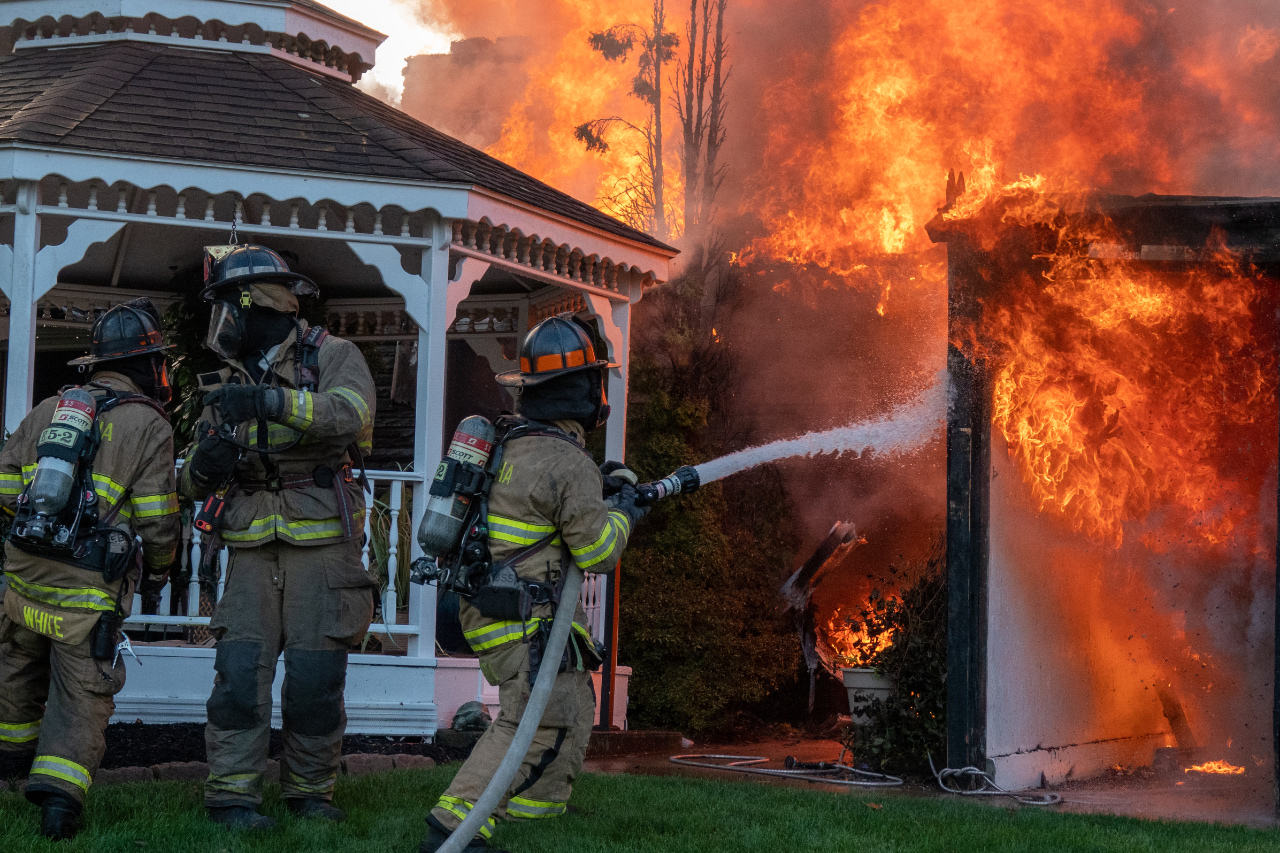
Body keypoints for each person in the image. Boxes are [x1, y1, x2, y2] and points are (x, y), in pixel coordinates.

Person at [421, 314, 649, 853]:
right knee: (526, 718)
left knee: (569, 700)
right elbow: (598, 551)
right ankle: (455, 825)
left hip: (490, 602)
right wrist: (625, 511)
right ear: (584, 390)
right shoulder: (568, 464)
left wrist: (603, 494)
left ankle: (533, 809)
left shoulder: (513, 442)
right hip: (521, 615)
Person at [178, 244, 376, 830]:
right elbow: (189, 480)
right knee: (238, 677)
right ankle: (232, 797)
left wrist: (271, 401)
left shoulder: (335, 355)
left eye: (227, 311)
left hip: (323, 552)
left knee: (316, 683)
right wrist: (206, 460)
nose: (222, 326)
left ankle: (311, 794)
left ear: (258, 305)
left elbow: (352, 416)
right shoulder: (226, 380)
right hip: (248, 552)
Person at [0, 299, 181, 841]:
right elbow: (158, 519)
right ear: (146, 365)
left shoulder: (49, 410)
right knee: (82, 695)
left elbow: (7, 489)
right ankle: (58, 806)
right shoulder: (148, 425)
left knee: (15, 677)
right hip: (86, 595)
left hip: (24, 581)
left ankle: (9, 766)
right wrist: (157, 574)